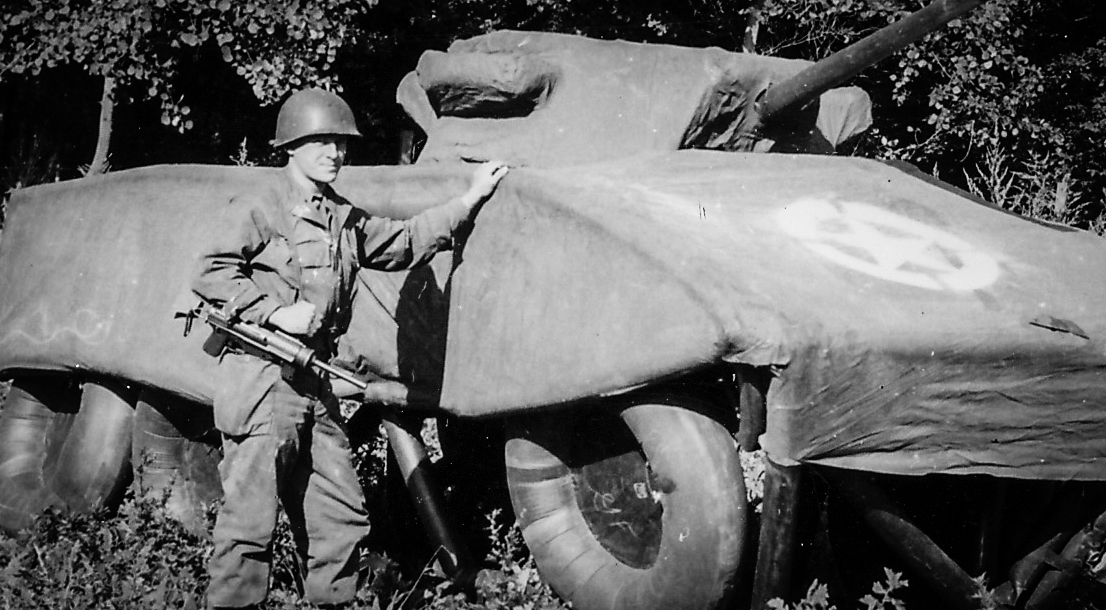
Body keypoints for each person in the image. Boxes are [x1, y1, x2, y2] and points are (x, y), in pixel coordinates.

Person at [191, 87, 507, 610]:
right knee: (250, 524)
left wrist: (469, 199)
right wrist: (273, 312)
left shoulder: (340, 214)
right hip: (264, 379)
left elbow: (404, 241)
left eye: (340, 143)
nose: (335, 153)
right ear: (291, 146)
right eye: (321, 142)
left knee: (339, 516)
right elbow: (209, 270)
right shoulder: (260, 204)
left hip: (317, 379)